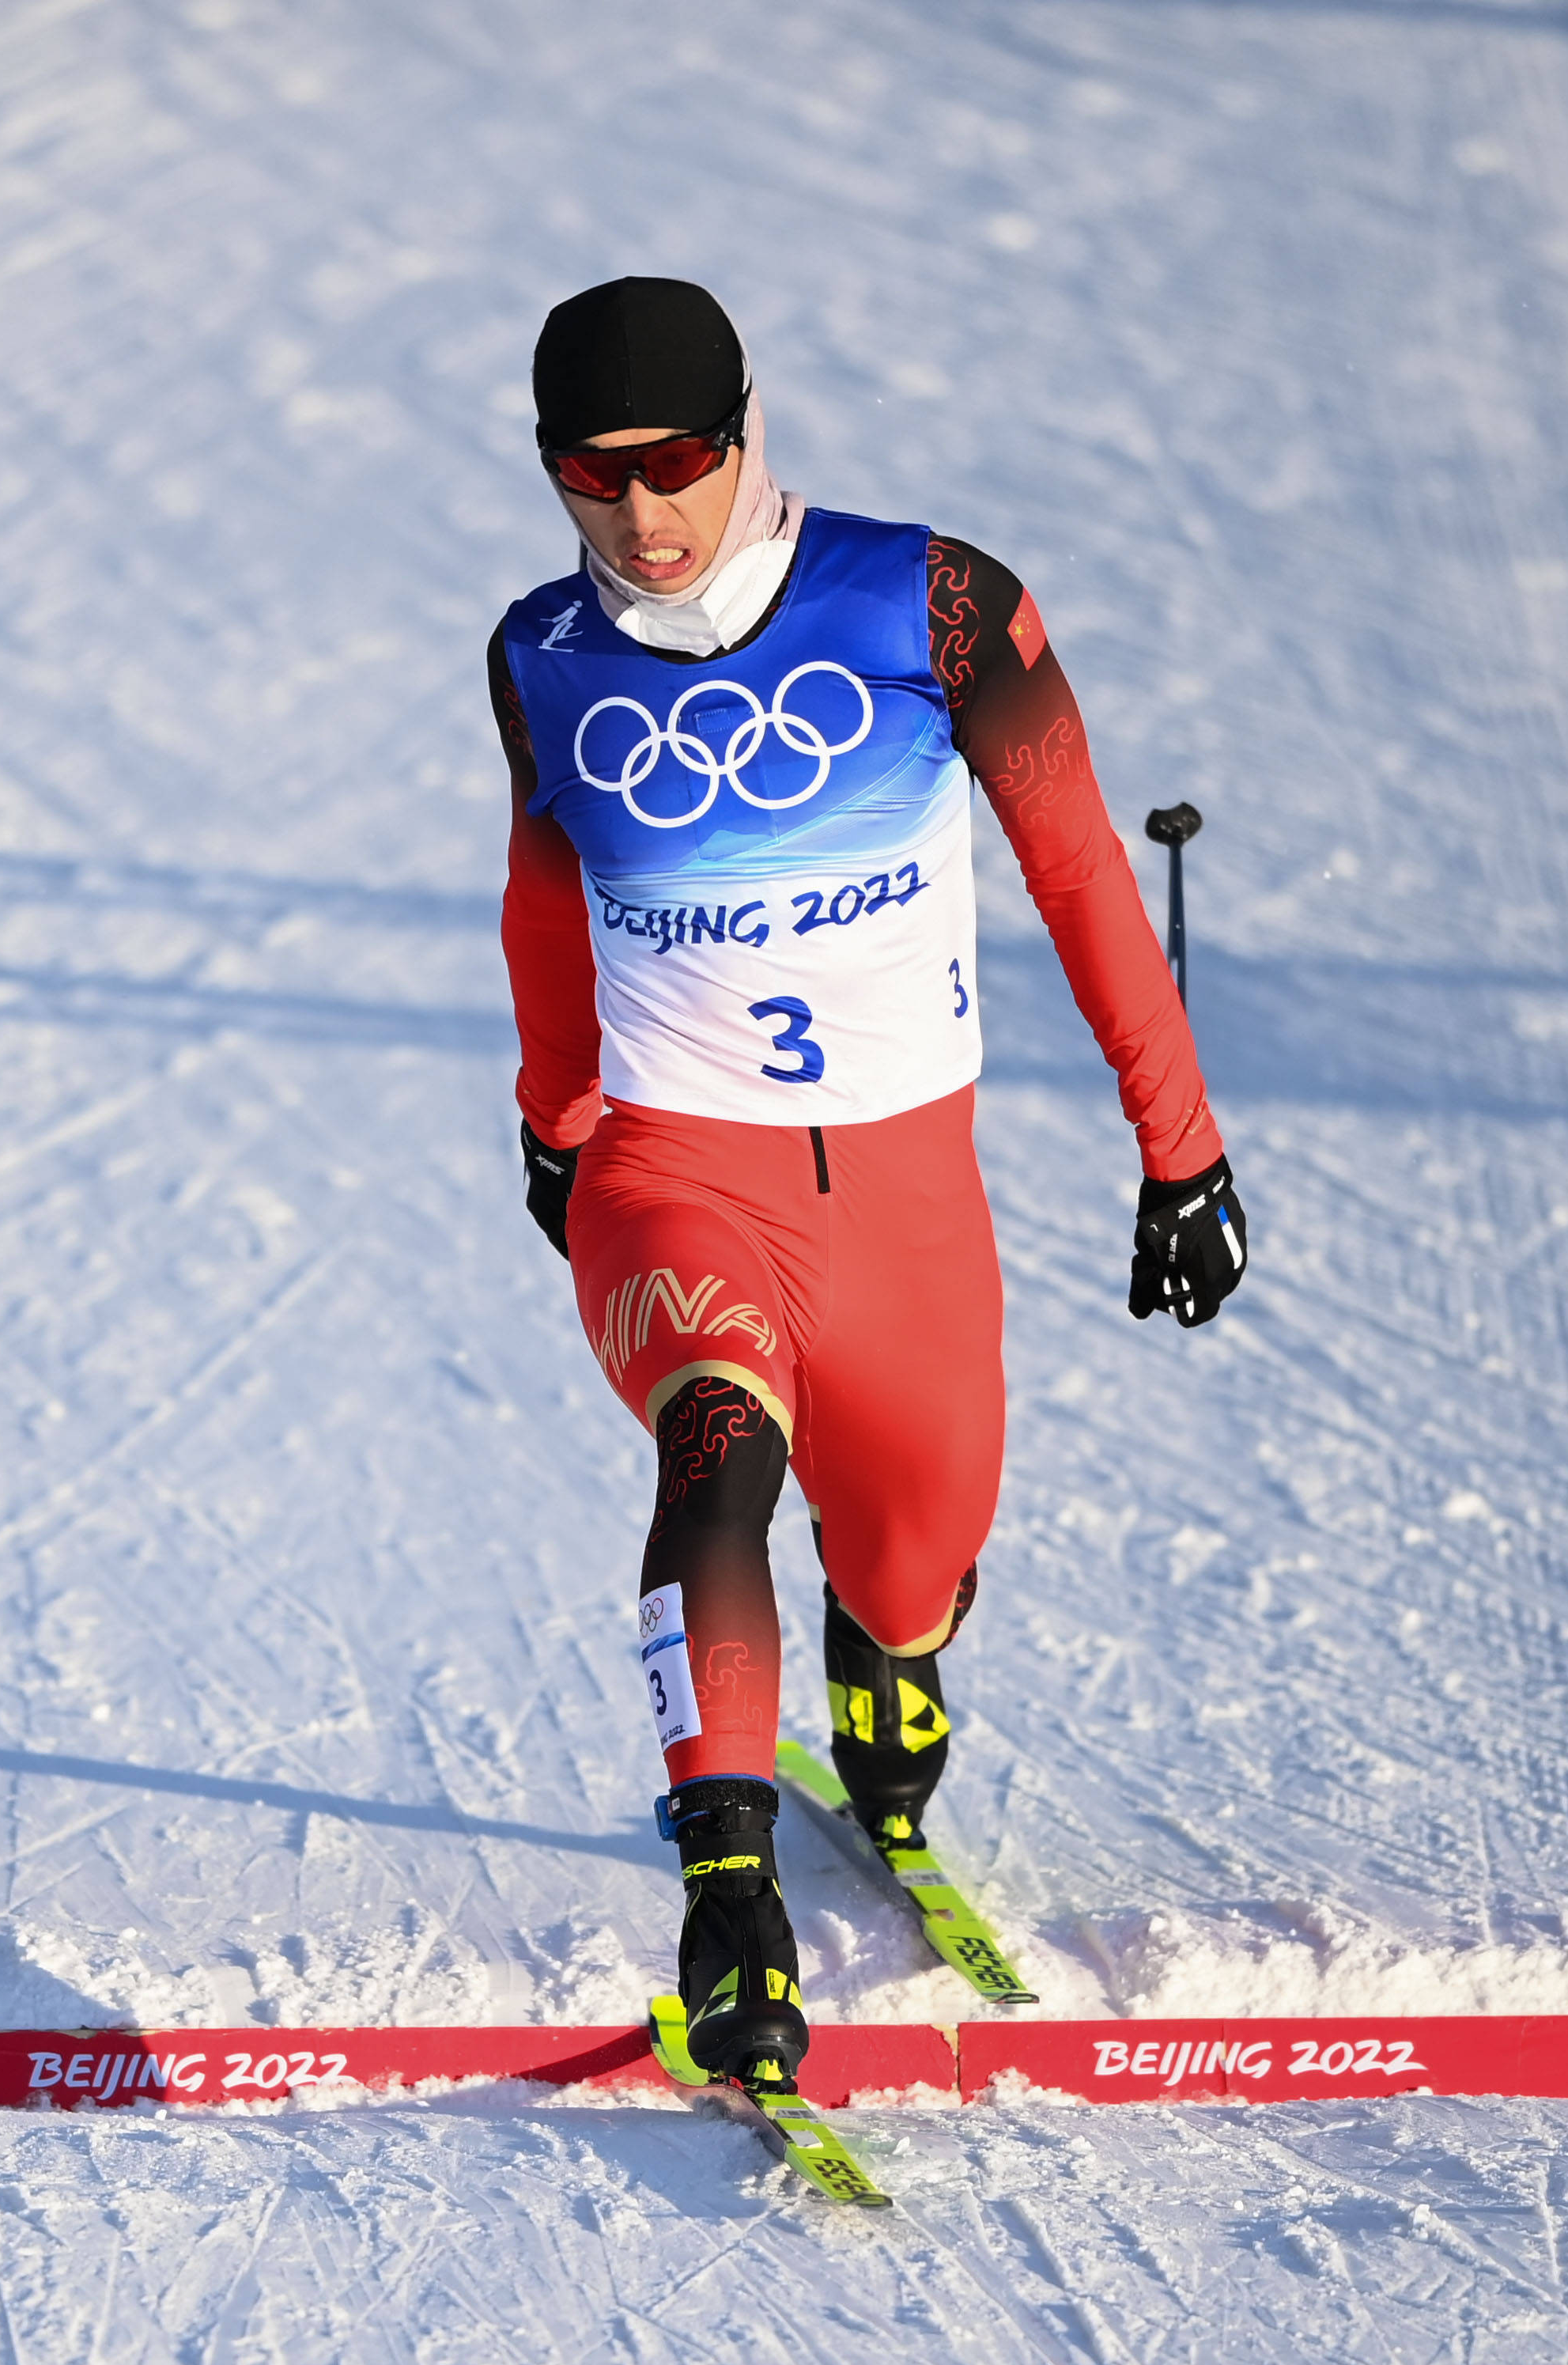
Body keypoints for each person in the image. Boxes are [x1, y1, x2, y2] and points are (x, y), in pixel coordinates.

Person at [487, 275, 1247, 2087]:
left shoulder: (935, 601)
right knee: (715, 1454)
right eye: (589, 475)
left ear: (747, 434)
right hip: (678, 1170)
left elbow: (1079, 879)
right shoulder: (538, 652)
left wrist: (1183, 1149)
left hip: (906, 1187)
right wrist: (556, 1117)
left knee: (915, 1560)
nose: (639, 514)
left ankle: (884, 1669)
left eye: (674, 462)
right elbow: (540, 899)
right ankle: (731, 1895)